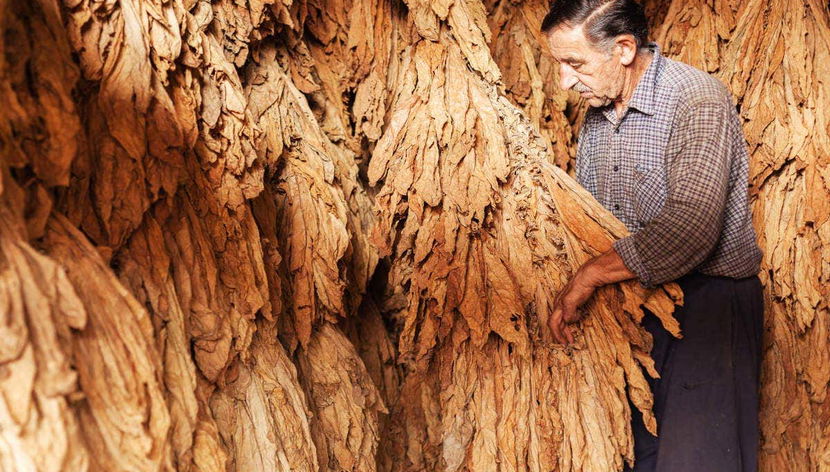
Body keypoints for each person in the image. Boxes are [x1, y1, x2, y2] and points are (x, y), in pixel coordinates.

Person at [540, 0, 764, 471]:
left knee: (696, 460)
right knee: (635, 456)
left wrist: (588, 278)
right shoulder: (598, 112)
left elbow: (691, 227)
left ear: (623, 49)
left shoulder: (696, 98)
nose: (564, 81)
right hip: (632, 306)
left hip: (706, 307)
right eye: (558, 64)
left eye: (574, 63)